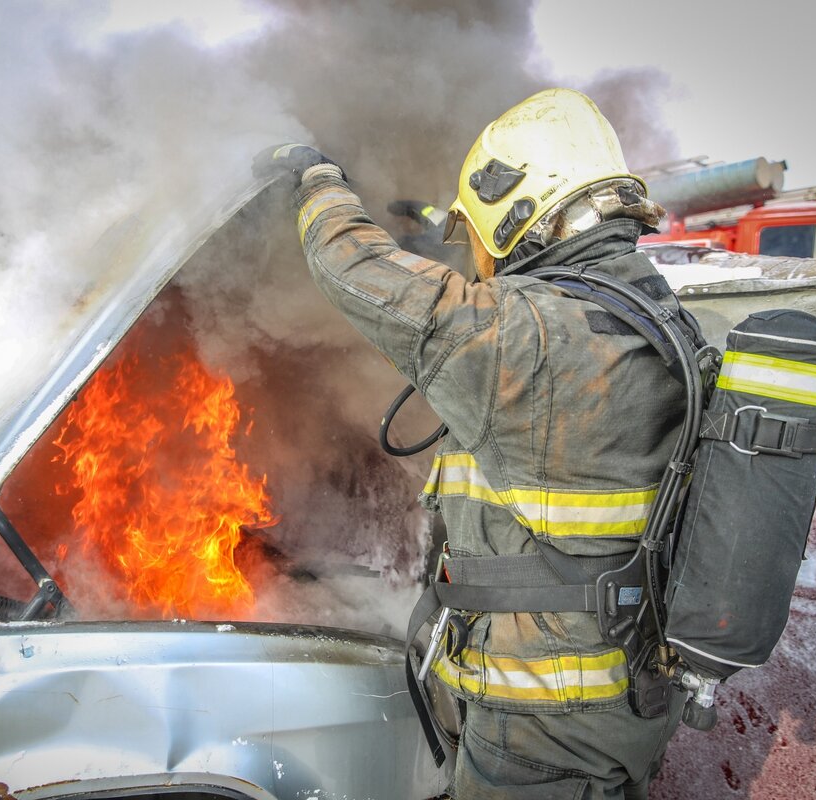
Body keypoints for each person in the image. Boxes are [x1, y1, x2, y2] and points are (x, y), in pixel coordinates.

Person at [257, 88, 689, 799]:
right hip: (620, 690)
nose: (482, 260)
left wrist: (319, 179)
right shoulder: (657, 319)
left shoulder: (526, 336)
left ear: (520, 213)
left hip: (542, 719)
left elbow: (355, 269)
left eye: (483, 238)